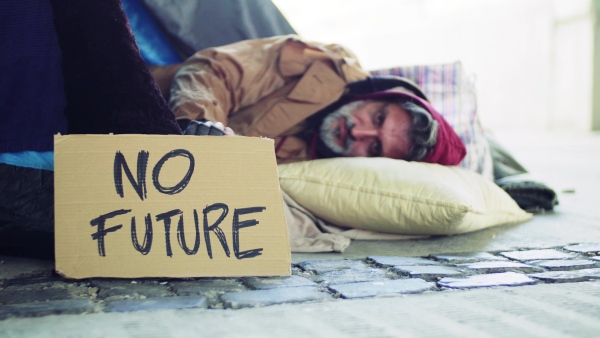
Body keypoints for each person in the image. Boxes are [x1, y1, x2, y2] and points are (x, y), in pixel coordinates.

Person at [151, 35, 466, 166]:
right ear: (376, 95)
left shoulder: (327, 178)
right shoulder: (322, 63)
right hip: (144, 101)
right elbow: (215, 71)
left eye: (374, 148)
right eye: (378, 118)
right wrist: (202, 128)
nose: (360, 132)